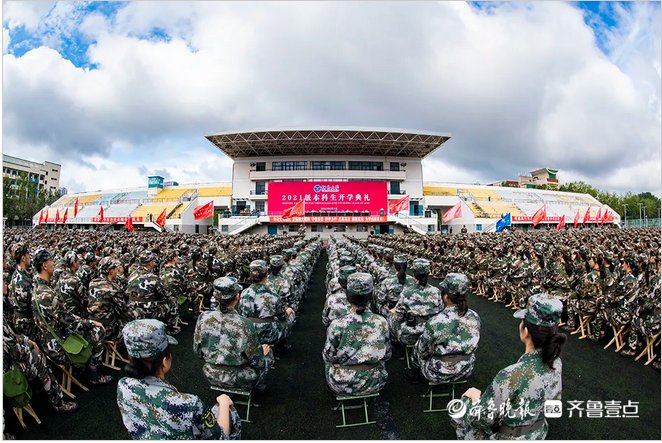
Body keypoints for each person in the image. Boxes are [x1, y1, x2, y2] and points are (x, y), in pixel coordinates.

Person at [453, 293, 566, 440]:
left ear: (525, 331)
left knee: (464, 404)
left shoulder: (510, 375)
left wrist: (473, 400)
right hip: (537, 432)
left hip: (509, 437)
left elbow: (482, 420)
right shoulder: (556, 362)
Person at [117, 319, 241, 440]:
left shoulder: (123, 386)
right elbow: (220, 438)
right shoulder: (189, 403)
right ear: (165, 362)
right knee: (226, 410)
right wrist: (224, 403)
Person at [31, 248, 113, 386]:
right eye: (51, 260)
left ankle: (81, 369)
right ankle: (93, 375)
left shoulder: (37, 288)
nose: (54, 263)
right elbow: (69, 321)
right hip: (58, 345)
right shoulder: (48, 294)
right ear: (44, 265)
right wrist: (91, 323)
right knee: (98, 331)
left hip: (46, 339)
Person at [193, 277, 273, 391]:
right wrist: (262, 353)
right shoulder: (245, 324)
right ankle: (258, 385)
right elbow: (258, 362)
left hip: (211, 374)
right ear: (237, 296)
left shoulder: (203, 318)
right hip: (239, 378)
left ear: (215, 296)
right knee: (268, 354)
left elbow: (198, 352)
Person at [323, 273, 391, 396]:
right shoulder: (381, 322)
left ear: (348, 296)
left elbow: (328, 356)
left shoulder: (337, 324)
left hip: (342, 384)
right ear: (370, 296)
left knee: (328, 364)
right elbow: (387, 355)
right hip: (375, 382)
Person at [410, 273, 481, 384]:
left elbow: (423, 351)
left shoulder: (435, 322)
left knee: (418, 346)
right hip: (465, 369)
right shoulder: (475, 317)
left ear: (445, 296)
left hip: (438, 373)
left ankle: (414, 374)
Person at [238, 260, 295, 352]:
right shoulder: (273, 296)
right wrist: (287, 311)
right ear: (266, 274)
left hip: (249, 331)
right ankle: (281, 345)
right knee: (290, 316)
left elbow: (241, 312)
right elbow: (282, 316)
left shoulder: (244, 293)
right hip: (268, 335)